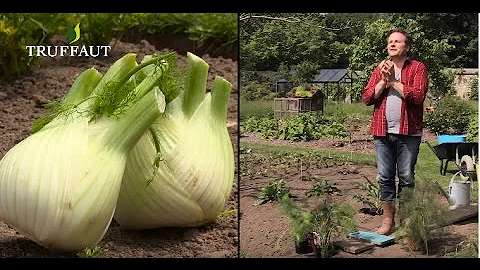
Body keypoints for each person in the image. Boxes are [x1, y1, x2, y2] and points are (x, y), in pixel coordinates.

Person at [362, 29, 429, 235]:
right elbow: (367, 98)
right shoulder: (380, 68)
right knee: (385, 177)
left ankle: (407, 221)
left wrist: (393, 81)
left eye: (397, 41)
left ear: (406, 47)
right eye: (390, 41)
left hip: (408, 133)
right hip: (382, 132)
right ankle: (388, 223)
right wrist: (383, 80)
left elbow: (417, 97)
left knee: (407, 177)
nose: (391, 44)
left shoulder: (417, 68)